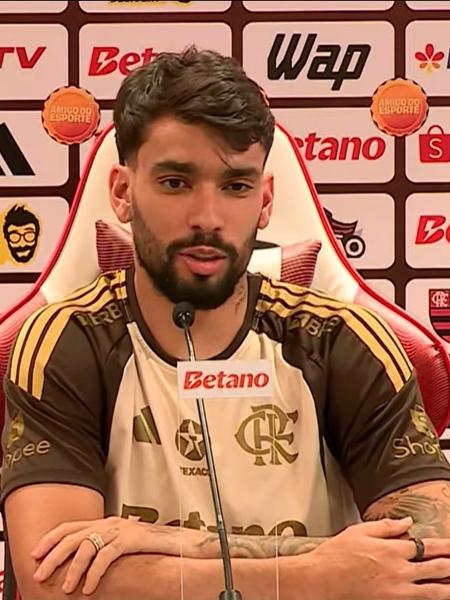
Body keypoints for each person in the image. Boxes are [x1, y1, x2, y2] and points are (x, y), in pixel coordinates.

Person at [2, 45, 450, 600]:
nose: (207, 218)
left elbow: (435, 559)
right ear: (122, 193)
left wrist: (165, 542)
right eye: (175, 182)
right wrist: (318, 573)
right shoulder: (64, 342)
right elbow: (52, 584)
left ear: (264, 201)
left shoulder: (343, 341)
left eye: (235, 186)